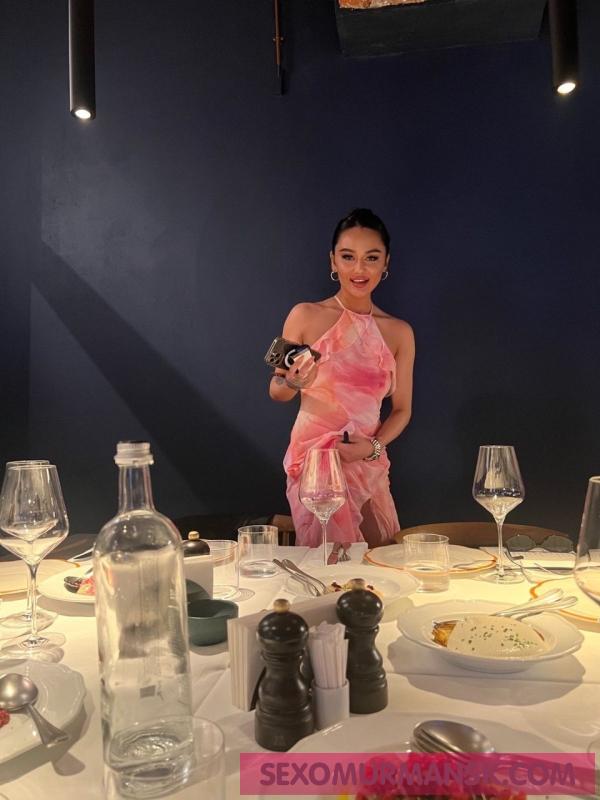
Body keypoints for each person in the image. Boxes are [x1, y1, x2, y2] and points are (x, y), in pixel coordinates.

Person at [269, 208, 415, 548]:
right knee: (329, 564)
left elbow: (402, 410)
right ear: (333, 261)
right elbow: (276, 389)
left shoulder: (399, 333)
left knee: (381, 562)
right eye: (348, 257)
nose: (359, 269)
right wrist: (293, 382)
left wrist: (372, 448)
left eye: (371, 258)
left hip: (367, 463)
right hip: (316, 464)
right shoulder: (304, 315)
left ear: (386, 263)